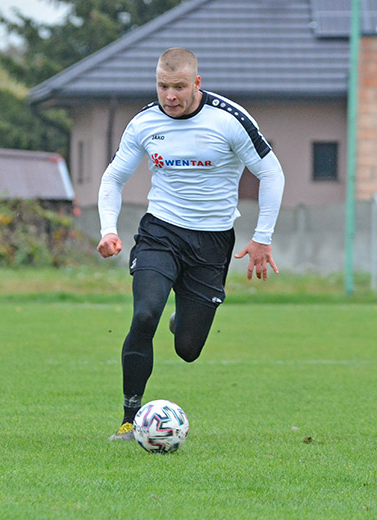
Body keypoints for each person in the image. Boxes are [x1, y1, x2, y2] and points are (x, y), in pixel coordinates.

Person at [97, 48, 284, 441]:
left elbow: (271, 173)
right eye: (163, 86)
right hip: (160, 234)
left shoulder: (228, 119)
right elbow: (113, 178)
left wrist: (262, 237)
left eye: (179, 87)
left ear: (196, 83)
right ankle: (130, 419)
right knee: (145, 314)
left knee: (188, 348)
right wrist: (108, 229)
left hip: (212, 243)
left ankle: (181, 317)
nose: (170, 96)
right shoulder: (144, 122)